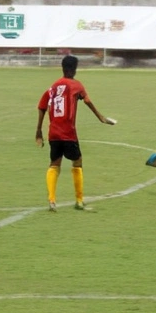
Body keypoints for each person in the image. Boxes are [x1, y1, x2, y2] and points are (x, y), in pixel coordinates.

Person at [35, 55, 115, 212]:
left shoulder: (53, 86)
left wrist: (38, 130)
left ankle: (52, 201)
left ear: (62, 68)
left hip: (53, 133)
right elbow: (87, 101)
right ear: (75, 69)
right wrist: (101, 117)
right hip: (68, 133)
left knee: (54, 164)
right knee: (77, 162)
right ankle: (79, 201)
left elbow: (42, 106)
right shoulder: (76, 85)